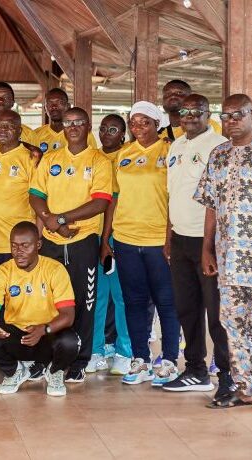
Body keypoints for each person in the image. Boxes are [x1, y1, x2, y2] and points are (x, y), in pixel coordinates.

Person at [196, 94, 252, 418]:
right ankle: (244, 389)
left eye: (238, 114)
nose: (231, 121)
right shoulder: (218, 155)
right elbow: (210, 204)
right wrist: (206, 248)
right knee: (235, 327)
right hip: (230, 259)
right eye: (226, 115)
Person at [29, 107, 111, 383]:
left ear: (88, 126)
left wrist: (62, 218)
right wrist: (49, 220)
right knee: (46, 302)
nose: (73, 127)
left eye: (78, 122)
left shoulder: (99, 161)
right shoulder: (51, 159)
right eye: (68, 123)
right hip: (50, 242)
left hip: (83, 241)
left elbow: (100, 203)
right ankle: (44, 358)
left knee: (84, 303)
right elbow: (35, 195)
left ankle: (79, 360)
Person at [104, 101, 180, 386]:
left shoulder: (169, 151)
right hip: (125, 239)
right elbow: (114, 198)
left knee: (166, 301)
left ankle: (169, 361)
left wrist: (170, 238)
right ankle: (140, 359)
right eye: (134, 123)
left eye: (145, 122)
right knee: (133, 302)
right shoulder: (124, 153)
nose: (138, 127)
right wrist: (107, 238)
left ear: (157, 124)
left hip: (158, 239)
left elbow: (175, 197)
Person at [162, 94, 231, 394]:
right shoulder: (176, 145)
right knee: (187, 309)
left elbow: (220, 200)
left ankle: (227, 375)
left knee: (217, 313)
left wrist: (209, 245)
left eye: (196, 111)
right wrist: (169, 236)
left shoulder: (219, 146)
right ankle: (195, 370)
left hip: (209, 242)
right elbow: (172, 194)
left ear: (208, 114)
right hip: (180, 239)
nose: (189, 116)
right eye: (184, 111)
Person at [0, 221, 79, 396]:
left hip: (46, 334)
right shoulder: (2, 271)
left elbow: (68, 315)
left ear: (38, 245)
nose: (18, 251)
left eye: (25, 246)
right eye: (14, 246)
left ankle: (54, 371)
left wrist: (43, 329)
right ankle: (15, 371)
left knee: (71, 343)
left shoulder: (55, 269)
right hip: (17, 335)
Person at [88, 114, 132, 376]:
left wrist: (107, 238)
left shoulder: (127, 156)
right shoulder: (94, 157)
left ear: (123, 134)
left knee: (121, 296)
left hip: (118, 235)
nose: (106, 133)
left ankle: (124, 351)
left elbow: (113, 202)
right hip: (94, 234)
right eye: (103, 129)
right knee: (96, 296)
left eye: (113, 129)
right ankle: (96, 350)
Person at [0, 110, 37, 293]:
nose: (2, 130)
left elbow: (41, 198)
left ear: (19, 131)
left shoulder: (30, 158)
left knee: (18, 296)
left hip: (18, 246)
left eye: (9, 126)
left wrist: (39, 237)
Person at [33, 89, 96, 154]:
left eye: (60, 102)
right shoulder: (35, 135)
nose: (54, 106)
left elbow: (93, 157)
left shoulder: (83, 134)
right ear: (44, 108)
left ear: (68, 106)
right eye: (49, 103)